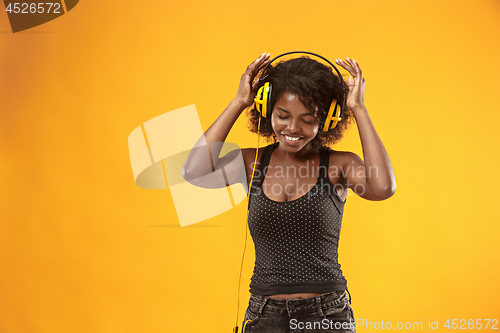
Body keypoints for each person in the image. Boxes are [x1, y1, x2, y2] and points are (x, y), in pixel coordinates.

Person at [182, 52, 396, 332]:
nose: (293, 128)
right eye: (282, 116)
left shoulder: (339, 166)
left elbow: (382, 188)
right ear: (266, 109)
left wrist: (359, 109)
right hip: (264, 314)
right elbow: (194, 171)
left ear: (329, 118)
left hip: (326, 314)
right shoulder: (253, 163)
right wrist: (238, 102)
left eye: (308, 119)